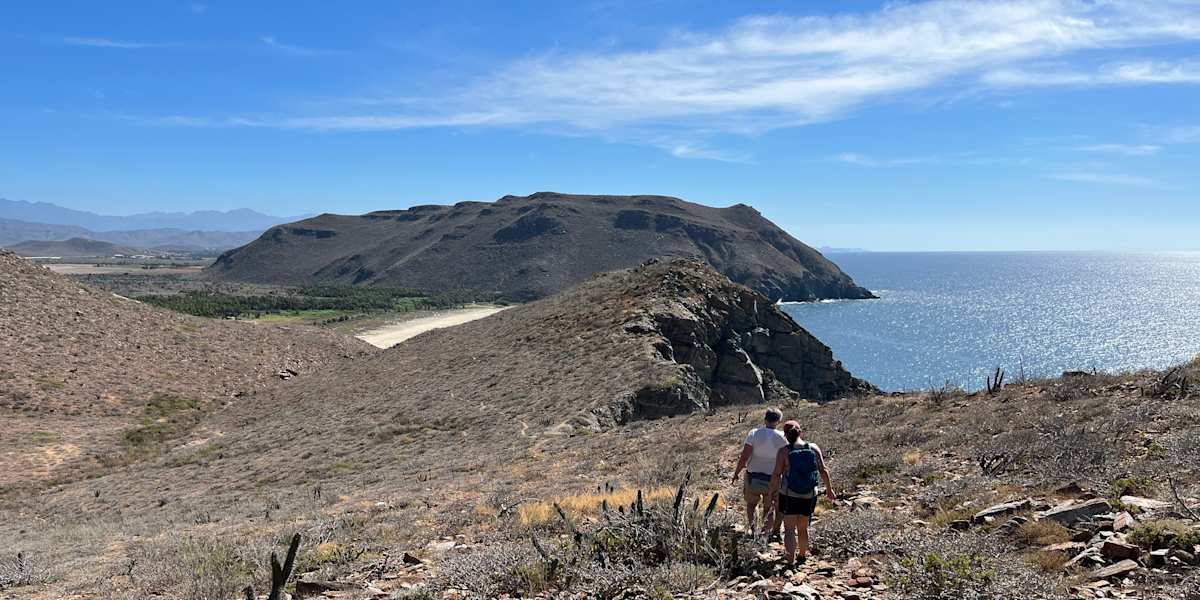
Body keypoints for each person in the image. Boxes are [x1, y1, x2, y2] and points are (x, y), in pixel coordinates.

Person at [770, 420, 836, 565]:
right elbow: (823, 470)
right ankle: (802, 555)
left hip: (789, 494)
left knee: (788, 529)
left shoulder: (784, 451)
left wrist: (772, 493)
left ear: (786, 435)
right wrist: (829, 489)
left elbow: (776, 474)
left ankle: (790, 560)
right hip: (809, 494)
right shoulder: (813, 448)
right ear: (800, 432)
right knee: (802, 528)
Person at [731, 408, 787, 538]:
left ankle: (753, 530)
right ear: (778, 421)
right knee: (769, 508)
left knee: (751, 504)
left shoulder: (754, 433)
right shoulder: (782, 437)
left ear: (765, 419)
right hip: (772, 479)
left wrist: (736, 472)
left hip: (753, 476)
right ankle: (766, 534)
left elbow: (745, 456)